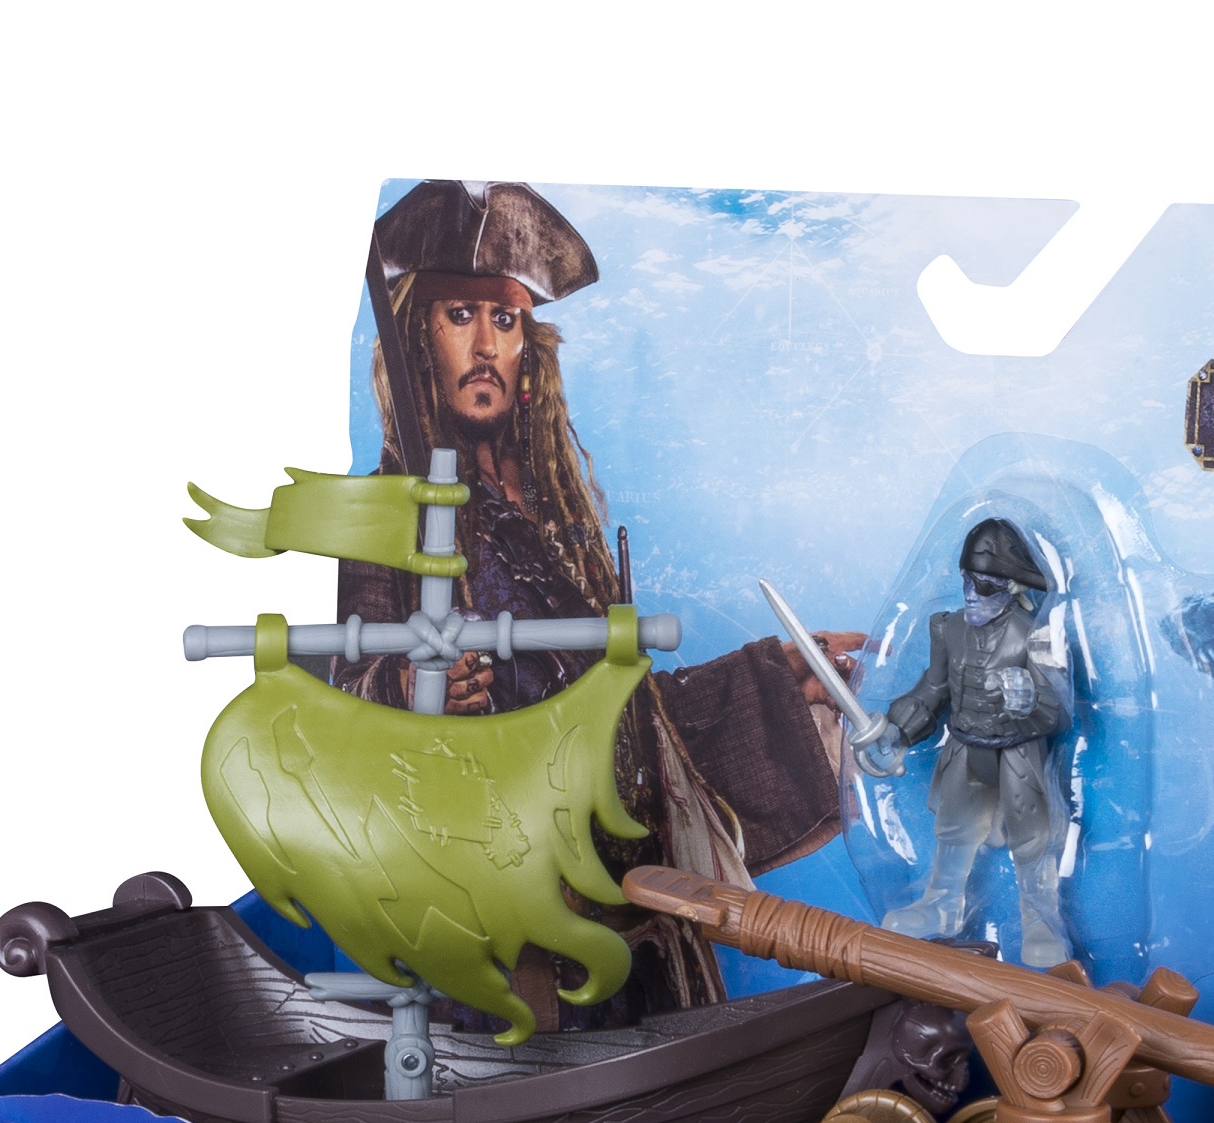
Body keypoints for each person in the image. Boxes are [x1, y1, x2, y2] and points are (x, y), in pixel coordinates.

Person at [331, 180, 862, 1030]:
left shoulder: (560, 517)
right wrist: (409, 687)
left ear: (528, 349)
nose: (484, 344)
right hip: (505, 908)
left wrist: (770, 680)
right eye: (459, 316)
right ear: (418, 336)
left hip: (628, 894)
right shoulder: (388, 511)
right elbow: (345, 699)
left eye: (504, 321)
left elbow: (624, 716)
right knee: (526, 1072)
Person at [861, 519, 1073, 967]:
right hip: (963, 745)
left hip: (1018, 751)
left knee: (1031, 837)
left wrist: (1030, 697)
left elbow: (1057, 710)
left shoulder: (1034, 635)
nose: (972, 595)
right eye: (967, 582)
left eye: (986, 586)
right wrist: (897, 730)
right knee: (954, 830)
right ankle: (941, 903)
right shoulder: (948, 629)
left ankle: (1040, 919)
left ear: (1012, 589)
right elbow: (933, 689)